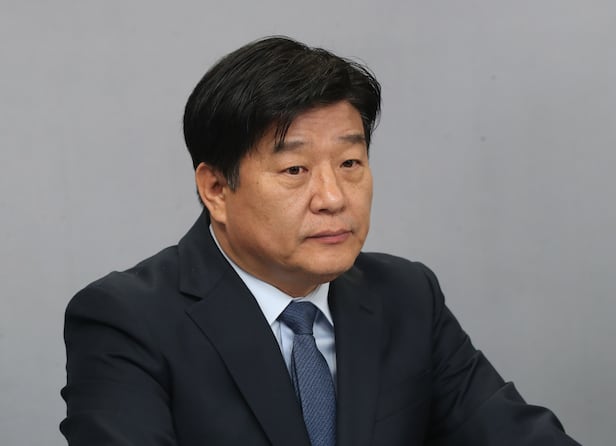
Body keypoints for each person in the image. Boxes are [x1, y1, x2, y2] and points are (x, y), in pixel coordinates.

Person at [60, 36, 580, 446]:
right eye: (295, 169)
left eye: (350, 162)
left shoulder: (407, 296)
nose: (333, 197)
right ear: (215, 188)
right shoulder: (127, 320)